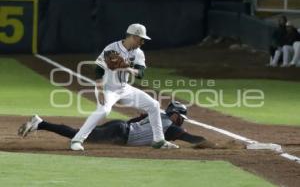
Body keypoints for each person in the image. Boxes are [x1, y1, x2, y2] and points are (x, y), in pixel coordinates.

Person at [70, 23, 178, 151]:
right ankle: (77, 140)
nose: (142, 42)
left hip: (125, 89)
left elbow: (141, 73)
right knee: (104, 110)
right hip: (107, 88)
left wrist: (129, 69)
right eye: (141, 39)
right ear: (133, 37)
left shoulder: (138, 53)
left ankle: (159, 141)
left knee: (154, 105)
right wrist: (99, 90)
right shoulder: (111, 49)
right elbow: (98, 70)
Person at [18, 101, 221, 149]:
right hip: (122, 132)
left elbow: (133, 121)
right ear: (175, 115)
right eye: (181, 118)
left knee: (81, 133)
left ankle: (41, 123)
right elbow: (193, 139)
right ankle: (41, 123)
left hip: (120, 126)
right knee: (77, 134)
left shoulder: (157, 115)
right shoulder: (171, 127)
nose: (181, 122)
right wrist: (217, 145)